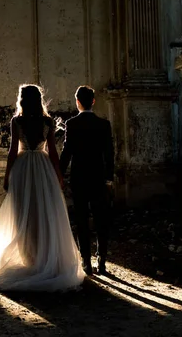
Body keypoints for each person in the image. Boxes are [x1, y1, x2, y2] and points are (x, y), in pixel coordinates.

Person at [0, 84, 85, 291]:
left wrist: (7, 176)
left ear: (22, 99)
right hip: (43, 169)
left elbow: (12, 151)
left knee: (23, 213)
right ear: (39, 99)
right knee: (44, 211)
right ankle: (43, 256)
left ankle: (30, 258)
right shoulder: (47, 122)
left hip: (23, 168)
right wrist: (59, 176)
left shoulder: (17, 121)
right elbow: (52, 152)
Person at [60, 85, 114, 275]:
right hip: (98, 177)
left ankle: (86, 262)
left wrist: (58, 173)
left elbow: (67, 153)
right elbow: (109, 154)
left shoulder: (72, 124)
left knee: (81, 219)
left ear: (77, 102)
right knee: (101, 219)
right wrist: (109, 178)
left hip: (79, 177)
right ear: (93, 101)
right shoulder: (104, 124)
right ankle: (102, 261)